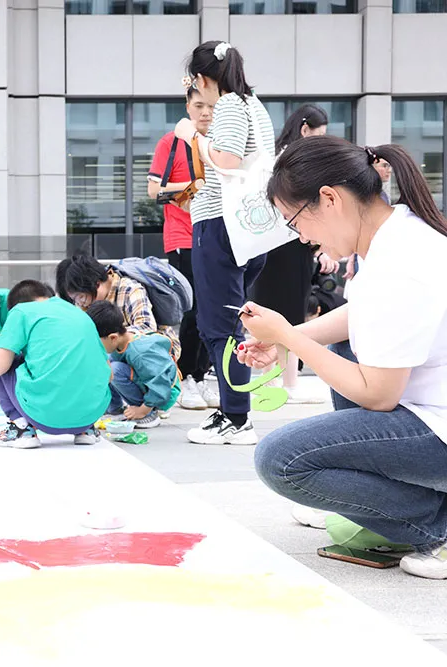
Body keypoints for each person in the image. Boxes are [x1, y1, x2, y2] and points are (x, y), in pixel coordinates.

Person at [240, 136, 447, 580]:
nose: (302, 237)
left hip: (437, 425)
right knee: (345, 346)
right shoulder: (396, 232)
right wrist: (285, 338)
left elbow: (378, 395)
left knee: (280, 460)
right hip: (431, 411)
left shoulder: (401, 265)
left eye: (296, 221)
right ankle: (388, 504)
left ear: (330, 199)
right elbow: (362, 316)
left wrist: (287, 337)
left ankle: (435, 525)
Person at [172, 40, 274, 445]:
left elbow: (227, 161)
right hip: (250, 227)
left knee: (219, 325)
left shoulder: (230, 104)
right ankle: (234, 412)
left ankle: (236, 417)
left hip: (219, 224)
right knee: (232, 320)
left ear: (201, 78)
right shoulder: (255, 104)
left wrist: (192, 137)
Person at [251, 104, 338, 404]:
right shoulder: (297, 163)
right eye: (319, 135)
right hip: (291, 244)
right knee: (289, 316)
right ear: (304, 130)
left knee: (273, 313)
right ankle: (288, 384)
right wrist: (319, 246)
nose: (320, 141)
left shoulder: (274, 158)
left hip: (271, 246)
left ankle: (275, 381)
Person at [149, 84, 216, 411]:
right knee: (193, 308)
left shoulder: (220, 145)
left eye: (211, 106)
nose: (206, 112)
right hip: (183, 237)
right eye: (199, 106)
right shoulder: (171, 142)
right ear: (188, 107)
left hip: (218, 234)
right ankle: (188, 376)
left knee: (215, 309)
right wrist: (194, 187)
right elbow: (154, 190)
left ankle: (201, 376)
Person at [0, 280, 111, 449]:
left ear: (16, 304)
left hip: (46, 417)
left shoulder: (22, 311)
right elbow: (109, 375)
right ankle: (85, 431)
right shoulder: (79, 313)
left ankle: (21, 429)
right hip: (91, 414)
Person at [87, 301, 181, 430]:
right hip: (151, 384)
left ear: (113, 337)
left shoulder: (141, 353)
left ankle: (149, 413)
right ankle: (115, 409)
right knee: (108, 363)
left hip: (164, 392)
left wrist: (143, 409)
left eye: (97, 343)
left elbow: (160, 383)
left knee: (115, 370)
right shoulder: (120, 341)